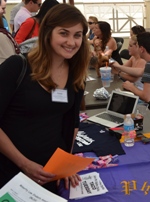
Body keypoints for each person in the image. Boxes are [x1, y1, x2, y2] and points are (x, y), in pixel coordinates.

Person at [0, 3, 89, 193]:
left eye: (77, 35)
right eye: (63, 33)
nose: (71, 42)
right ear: (48, 32)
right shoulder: (17, 67)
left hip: (49, 173)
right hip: (10, 172)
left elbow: (72, 123)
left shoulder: (76, 76)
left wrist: (66, 164)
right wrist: (24, 164)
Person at [0, 0, 19, 64]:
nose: (4, 12)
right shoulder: (1, 36)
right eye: (3, 8)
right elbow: (10, 61)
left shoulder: (3, 21)